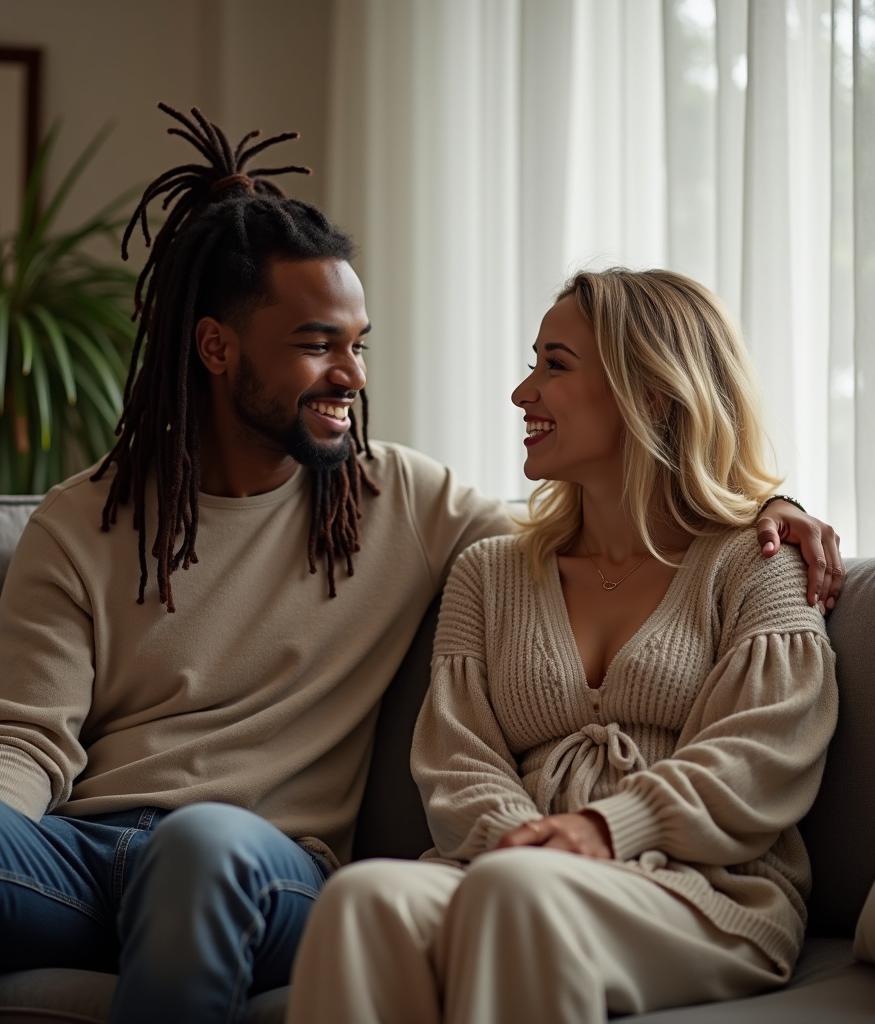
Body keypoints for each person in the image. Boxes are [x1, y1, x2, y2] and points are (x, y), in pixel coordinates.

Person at [0, 106, 837, 1024]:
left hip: (249, 861)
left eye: (357, 345)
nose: (354, 376)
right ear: (217, 348)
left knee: (202, 845)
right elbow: (23, 739)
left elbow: (636, 517)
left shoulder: (397, 503)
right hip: (83, 857)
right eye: (318, 345)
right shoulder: (82, 519)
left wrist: (770, 506)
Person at [286, 268, 840, 1024]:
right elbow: (456, 758)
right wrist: (528, 841)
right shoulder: (489, 572)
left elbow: (764, 755)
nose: (523, 393)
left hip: (703, 891)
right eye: (531, 363)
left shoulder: (759, 561)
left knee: (514, 894)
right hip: (509, 871)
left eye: (555, 364)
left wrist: (607, 828)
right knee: (361, 899)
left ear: (649, 394)